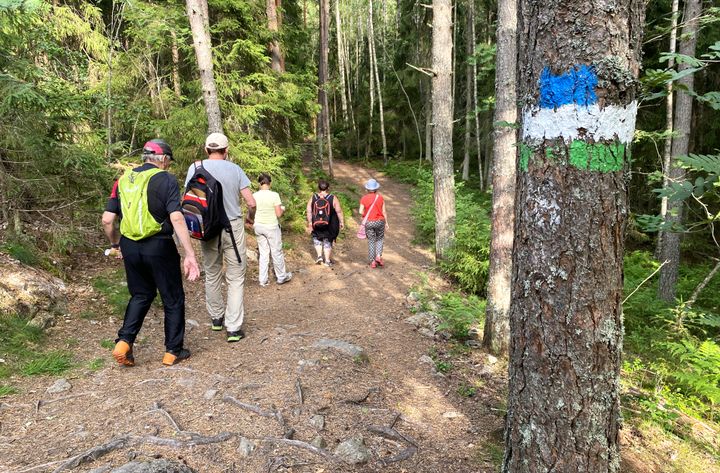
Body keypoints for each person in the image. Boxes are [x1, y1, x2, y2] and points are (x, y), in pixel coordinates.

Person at [101, 139, 200, 367]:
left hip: (129, 245)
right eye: (168, 161)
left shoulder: (123, 180)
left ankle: (124, 341)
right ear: (163, 159)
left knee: (141, 294)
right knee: (172, 297)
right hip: (158, 245)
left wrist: (116, 245)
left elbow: (107, 219)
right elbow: (176, 217)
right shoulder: (165, 179)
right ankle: (172, 351)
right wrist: (189, 254)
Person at [184, 132, 256, 342]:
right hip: (232, 226)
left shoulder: (195, 167)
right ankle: (233, 328)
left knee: (212, 271)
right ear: (226, 151)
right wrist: (249, 219)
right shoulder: (235, 169)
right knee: (235, 275)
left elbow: (187, 197)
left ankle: (216, 318)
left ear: (206, 150)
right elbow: (251, 202)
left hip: (207, 227)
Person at [252, 173, 292, 287]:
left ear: (259, 183)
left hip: (259, 226)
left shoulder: (254, 195)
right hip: (271, 227)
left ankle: (263, 280)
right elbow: (278, 214)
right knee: (276, 251)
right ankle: (281, 277)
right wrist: (282, 209)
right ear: (270, 183)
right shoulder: (274, 195)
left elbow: (252, 210)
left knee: (263, 253)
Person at [306, 179, 344, 266]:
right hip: (330, 224)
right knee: (328, 239)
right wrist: (341, 222)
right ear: (328, 188)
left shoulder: (313, 197)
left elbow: (309, 210)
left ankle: (319, 256)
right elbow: (339, 211)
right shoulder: (332, 198)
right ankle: (327, 261)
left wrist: (310, 222)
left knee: (317, 237)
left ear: (318, 188)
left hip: (316, 222)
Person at [358, 178, 388, 268]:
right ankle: (378, 256)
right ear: (376, 189)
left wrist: (366, 214)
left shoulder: (364, 198)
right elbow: (384, 212)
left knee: (371, 241)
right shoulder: (380, 198)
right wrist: (386, 223)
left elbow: (360, 211)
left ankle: (372, 261)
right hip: (380, 221)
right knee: (380, 239)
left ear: (367, 189)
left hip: (369, 222)